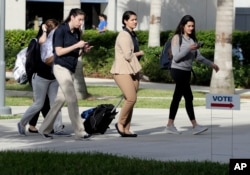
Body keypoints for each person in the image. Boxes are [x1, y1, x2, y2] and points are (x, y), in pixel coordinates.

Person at [38, 8, 93, 140]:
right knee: (72, 98)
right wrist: (76, 46)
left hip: (70, 69)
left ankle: (44, 128)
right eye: (79, 19)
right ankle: (80, 132)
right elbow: (59, 52)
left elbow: (76, 53)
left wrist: (83, 50)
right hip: (60, 67)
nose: (81, 23)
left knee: (60, 101)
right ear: (72, 17)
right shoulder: (60, 30)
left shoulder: (77, 33)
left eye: (82, 20)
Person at [165, 15, 219, 135]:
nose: (191, 28)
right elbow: (177, 57)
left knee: (182, 97)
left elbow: (198, 57)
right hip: (177, 70)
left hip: (187, 71)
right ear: (182, 26)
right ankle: (193, 125)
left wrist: (211, 64)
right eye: (188, 26)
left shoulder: (192, 40)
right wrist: (189, 48)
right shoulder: (176, 38)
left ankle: (171, 124)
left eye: (192, 26)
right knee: (185, 96)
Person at [17, 19, 67, 136]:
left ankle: (58, 128)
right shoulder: (36, 41)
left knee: (56, 102)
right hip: (40, 77)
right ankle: (22, 123)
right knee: (38, 104)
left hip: (53, 77)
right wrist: (45, 32)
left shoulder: (56, 43)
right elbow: (33, 62)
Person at [110, 11, 144, 137]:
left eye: (136, 19)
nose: (135, 21)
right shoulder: (124, 35)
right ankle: (120, 124)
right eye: (132, 20)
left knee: (131, 100)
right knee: (131, 98)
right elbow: (128, 55)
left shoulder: (132, 34)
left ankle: (126, 128)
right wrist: (140, 53)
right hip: (122, 71)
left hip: (133, 70)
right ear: (125, 21)